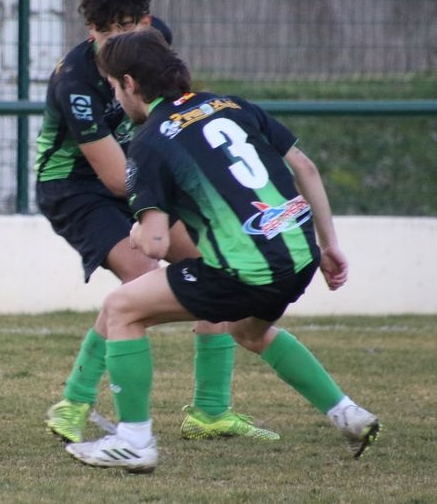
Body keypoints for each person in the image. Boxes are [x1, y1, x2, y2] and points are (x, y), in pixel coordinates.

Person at [64, 27, 381, 473]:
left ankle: (134, 441)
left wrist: (137, 234)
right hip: (299, 255)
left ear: (131, 84)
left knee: (120, 309)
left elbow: (153, 243)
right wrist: (330, 245)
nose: (116, 98)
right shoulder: (230, 104)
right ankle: (348, 413)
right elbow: (305, 167)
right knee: (249, 332)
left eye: (116, 87)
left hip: (244, 270)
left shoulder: (150, 142)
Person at [36, 0, 278, 444]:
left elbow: (176, 114)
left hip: (144, 175)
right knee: (144, 277)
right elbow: (111, 175)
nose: (119, 39)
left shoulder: (155, 43)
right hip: (77, 188)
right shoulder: (76, 82)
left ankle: (211, 411)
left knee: (214, 270)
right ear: (92, 32)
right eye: (107, 32)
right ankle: (74, 403)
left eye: (129, 26)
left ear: (146, 21)